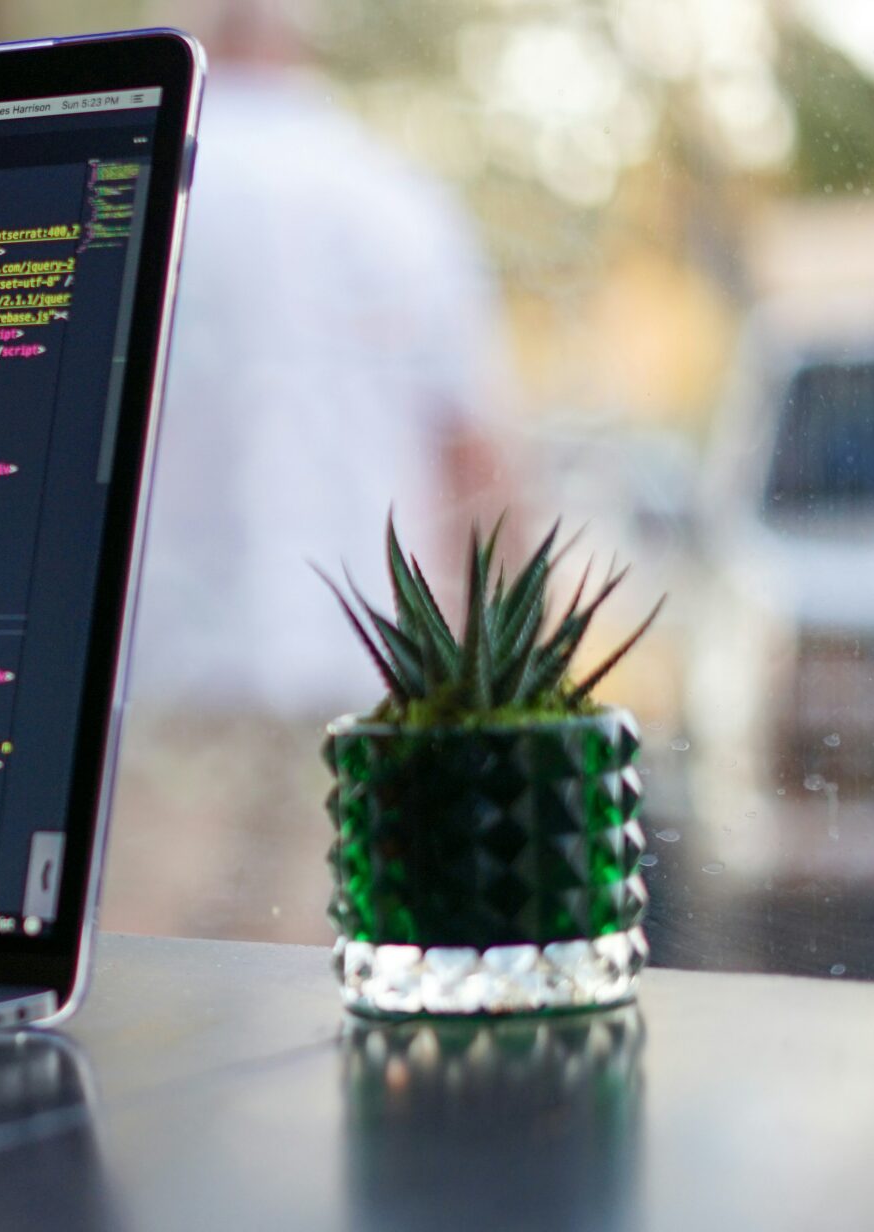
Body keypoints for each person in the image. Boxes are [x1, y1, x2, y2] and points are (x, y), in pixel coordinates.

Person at [102, 0, 515, 942]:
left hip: (160, 686)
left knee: (143, 1027)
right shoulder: (400, 202)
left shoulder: (141, 182)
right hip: (361, 691)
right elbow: (483, 474)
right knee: (317, 1022)